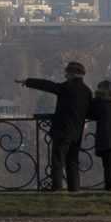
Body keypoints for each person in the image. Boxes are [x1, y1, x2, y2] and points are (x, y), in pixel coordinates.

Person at [16, 61, 92, 192]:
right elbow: (90, 111)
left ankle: (57, 189)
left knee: (57, 160)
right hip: (77, 132)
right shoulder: (87, 91)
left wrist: (28, 81)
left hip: (62, 130)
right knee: (72, 162)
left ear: (71, 74)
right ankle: (74, 189)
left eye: (66, 73)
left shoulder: (66, 87)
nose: (65, 75)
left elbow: (47, 85)